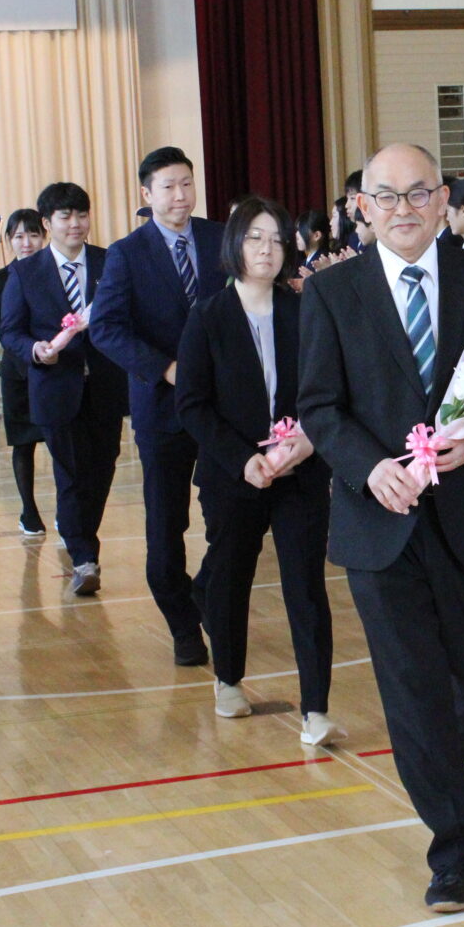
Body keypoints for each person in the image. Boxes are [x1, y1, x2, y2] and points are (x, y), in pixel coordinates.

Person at [298, 143, 464, 914]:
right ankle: (455, 847)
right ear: (362, 208)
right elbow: (320, 408)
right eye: (386, 196)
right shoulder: (332, 293)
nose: (403, 208)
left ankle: (430, 760)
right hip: (381, 521)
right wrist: (370, 468)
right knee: (411, 690)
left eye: (418, 193)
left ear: (443, 201)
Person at [177, 197, 341, 744]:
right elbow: (192, 405)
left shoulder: (304, 310)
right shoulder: (207, 316)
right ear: (234, 246)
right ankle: (228, 678)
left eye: (276, 238)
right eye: (255, 238)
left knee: (306, 586)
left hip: (300, 473)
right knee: (230, 577)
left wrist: (306, 441)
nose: (268, 248)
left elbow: (327, 391)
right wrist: (241, 457)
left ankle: (315, 707)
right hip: (233, 475)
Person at [90, 147, 224, 665]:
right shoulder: (127, 253)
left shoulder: (218, 239)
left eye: (187, 184)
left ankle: (206, 589)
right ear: (147, 195)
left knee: (235, 516)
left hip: (221, 408)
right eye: (168, 187)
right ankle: (182, 625)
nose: (180, 196)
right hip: (162, 408)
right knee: (166, 526)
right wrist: (166, 368)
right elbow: (105, 329)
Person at [0, 183, 129, 597]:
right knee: (71, 471)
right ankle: (84, 555)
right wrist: (36, 350)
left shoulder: (111, 263)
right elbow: (11, 332)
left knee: (103, 465)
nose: (75, 224)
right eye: (65, 217)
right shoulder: (25, 272)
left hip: (106, 385)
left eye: (82, 214)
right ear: (47, 223)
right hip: (55, 387)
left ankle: (81, 537)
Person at [0, 209, 49, 538]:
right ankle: (29, 509)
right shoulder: (1, 279)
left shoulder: (56, 272)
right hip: (19, 372)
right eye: (19, 236)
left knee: (62, 444)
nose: (26, 242)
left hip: (56, 372)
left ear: (45, 236)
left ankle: (68, 510)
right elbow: (6, 331)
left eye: (33, 234)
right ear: (9, 240)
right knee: (23, 443)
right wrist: (35, 353)